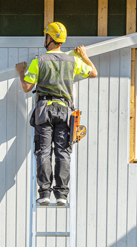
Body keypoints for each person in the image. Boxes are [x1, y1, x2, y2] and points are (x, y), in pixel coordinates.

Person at [15, 22, 98, 206]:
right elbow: (93, 72)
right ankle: (61, 195)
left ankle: (44, 193)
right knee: (63, 152)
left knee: (43, 151)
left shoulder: (39, 61)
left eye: (46, 36)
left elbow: (27, 87)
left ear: (50, 38)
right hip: (65, 111)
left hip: (44, 110)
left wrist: (21, 72)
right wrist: (84, 56)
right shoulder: (73, 61)